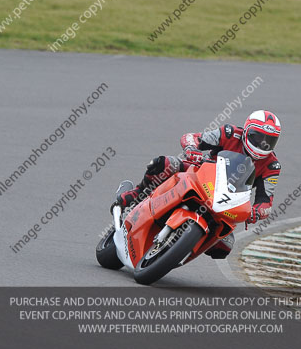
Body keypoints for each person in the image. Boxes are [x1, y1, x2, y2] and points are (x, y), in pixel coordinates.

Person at [115, 110, 282, 259]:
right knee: (163, 164)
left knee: (224, 246)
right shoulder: (230, 133)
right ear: (247, 131)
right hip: (200, 173)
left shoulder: (271, 165)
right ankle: (137, 194)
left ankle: (179, 250)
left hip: (227, 200)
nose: (262, 144)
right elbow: (192, 137)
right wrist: (191, 149)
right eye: (258, 137)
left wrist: (255, 212)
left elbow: (266, 201)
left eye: (269, 140)